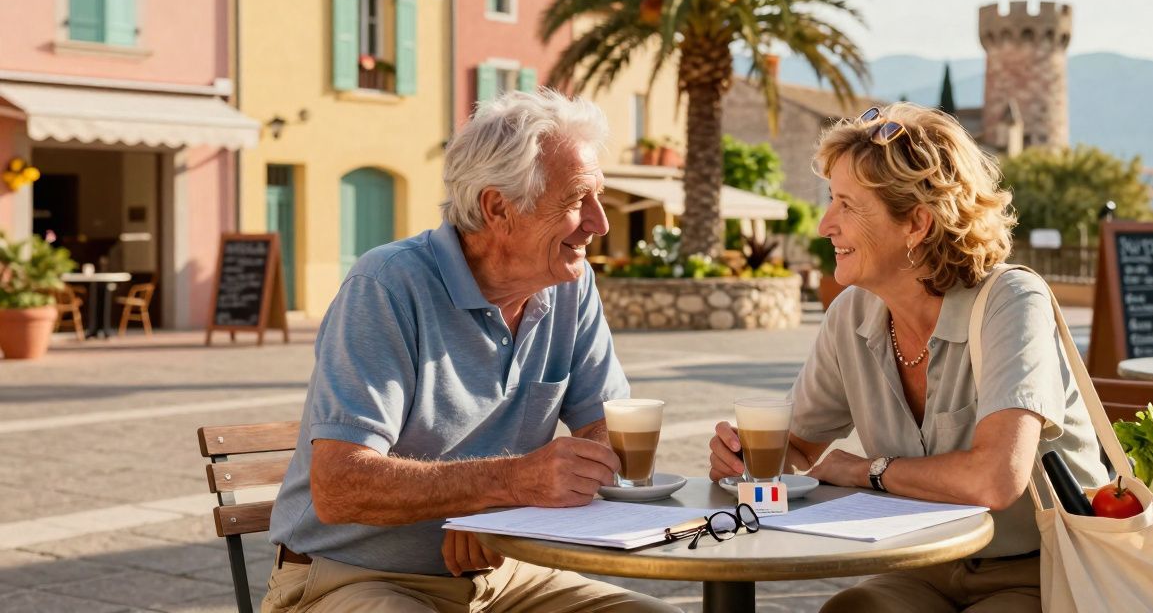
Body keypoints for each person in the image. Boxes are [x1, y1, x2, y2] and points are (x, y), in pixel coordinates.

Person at [264, 91, 678, 613]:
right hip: (354, 579)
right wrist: (505, 483)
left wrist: (497, 514)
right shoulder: (387, 285)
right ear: (497, 208)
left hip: (508, 573)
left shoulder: (571, 284)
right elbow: (340, 485)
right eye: (577, 200)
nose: (601, 222)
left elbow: (608, 432)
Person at [708, 103, 1105, 612]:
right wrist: (747, 461)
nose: (827, 224)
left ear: (916, 223)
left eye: (848, 206)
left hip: (1043, 569)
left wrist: (867, 471)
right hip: (920, 566)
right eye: (831, 200)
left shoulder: (1011, 302)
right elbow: (802, 453)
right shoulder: (851, 314)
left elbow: (995, 479)